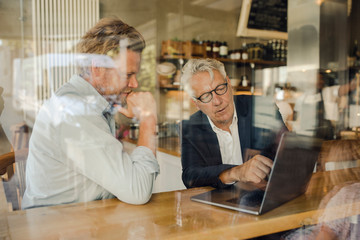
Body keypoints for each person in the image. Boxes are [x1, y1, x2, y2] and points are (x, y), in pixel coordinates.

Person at [22, 18, 159, 209]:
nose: (135, 84)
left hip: (85, 220)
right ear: (97, 67)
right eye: (127, 75)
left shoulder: (90, 104)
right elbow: (138, 191)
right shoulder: (74, 111)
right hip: (55, 228)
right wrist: (148, 118)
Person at [181, 58, 287, 189]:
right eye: (205, 96)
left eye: (220, 88)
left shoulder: (261, 107)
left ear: (229, 83)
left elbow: (289, 154)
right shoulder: (190, 127)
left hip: (263, 195)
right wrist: (235, 173)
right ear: (196, 104)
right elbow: (190, 177)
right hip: (218, 202)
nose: (217, 101)